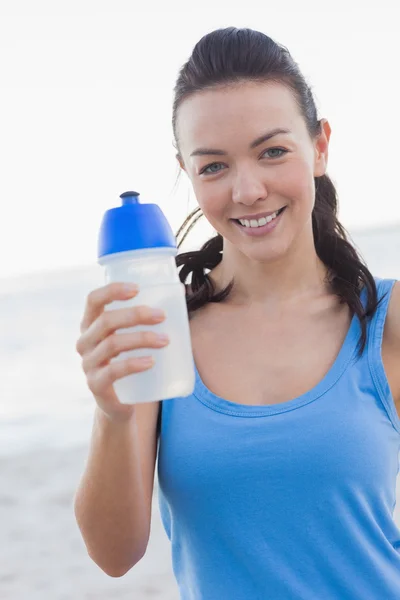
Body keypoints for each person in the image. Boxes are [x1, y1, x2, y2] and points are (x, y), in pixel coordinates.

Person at [74, 27, 400, 599]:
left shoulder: (385, 321)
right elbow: (115, 555)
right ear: (187, 171)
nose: (248, 190)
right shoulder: (160, 331)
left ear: (320, 146)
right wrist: (112, 415)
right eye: (214, 166)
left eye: (273, 151)